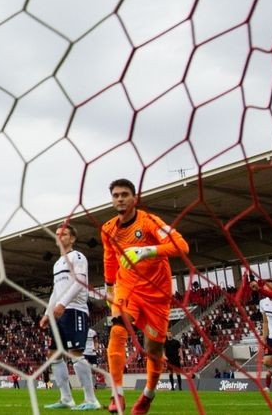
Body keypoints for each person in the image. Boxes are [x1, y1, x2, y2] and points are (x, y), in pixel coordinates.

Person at [101, 178, 190, 415]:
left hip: (157, 294)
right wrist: (109, 286)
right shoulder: (108, 229)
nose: (119, 198)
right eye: (116, 195)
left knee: (153, 350)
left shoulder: (149, 222)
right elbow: (110, 258)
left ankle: (148, 395)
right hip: (127, 288)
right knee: (118, 329)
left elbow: (181, 246)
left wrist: (146, 251)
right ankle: (117, 392)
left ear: (135, 198)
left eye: (124, 194)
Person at [39, 222, 101, 410]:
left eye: (64, 234)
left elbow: (80, 281)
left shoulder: (77, 256)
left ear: (72, 238)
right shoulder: (58, 263)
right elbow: (56, 291)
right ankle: (66, 398)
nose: (60, 237)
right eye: (57, 234)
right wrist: (47, 313)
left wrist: (62, 304)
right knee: (54, 355)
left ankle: (91, 400)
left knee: (75, 353)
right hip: (59, 312)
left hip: (74, 310)